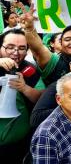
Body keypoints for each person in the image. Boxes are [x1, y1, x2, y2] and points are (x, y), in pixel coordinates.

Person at [0, 29, 45, 163]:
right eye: (10, 47)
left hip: (19, 146)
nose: (15, 52)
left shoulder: (30, 69)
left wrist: (24, 88)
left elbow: (41, 98)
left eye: (21, 48)